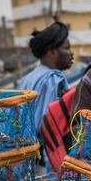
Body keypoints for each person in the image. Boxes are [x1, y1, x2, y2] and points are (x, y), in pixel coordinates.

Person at [18, 22, 73, 172]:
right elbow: (51, 127)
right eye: (67, 48)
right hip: (45, 161)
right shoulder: (55, 80)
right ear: (53, 52)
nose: (71, 54)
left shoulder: (27, 79)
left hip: (25, 158)